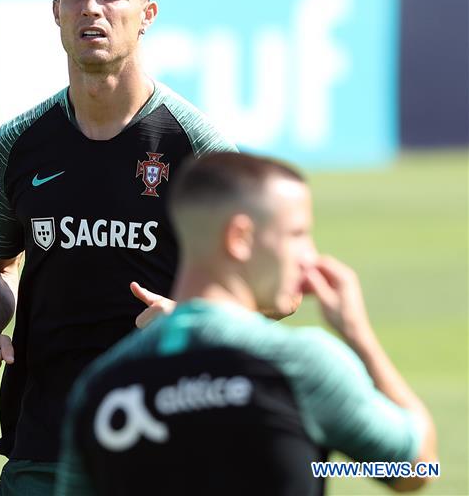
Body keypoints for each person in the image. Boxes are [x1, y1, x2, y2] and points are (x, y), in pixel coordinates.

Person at [0, 0, 236, 494]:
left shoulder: (199, 147)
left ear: (147, 14)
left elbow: (275, 292)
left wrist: (191, 317)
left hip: (168, 447)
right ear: (56, 12)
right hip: (43, 445)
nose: (92, 8)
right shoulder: (17, 144)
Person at [55, 152, 438, 495]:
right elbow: (418, 467)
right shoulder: (300, 365)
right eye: (297, 234)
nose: (310, 257)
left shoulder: (99, 388)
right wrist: (358, 335)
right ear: (240, 238)